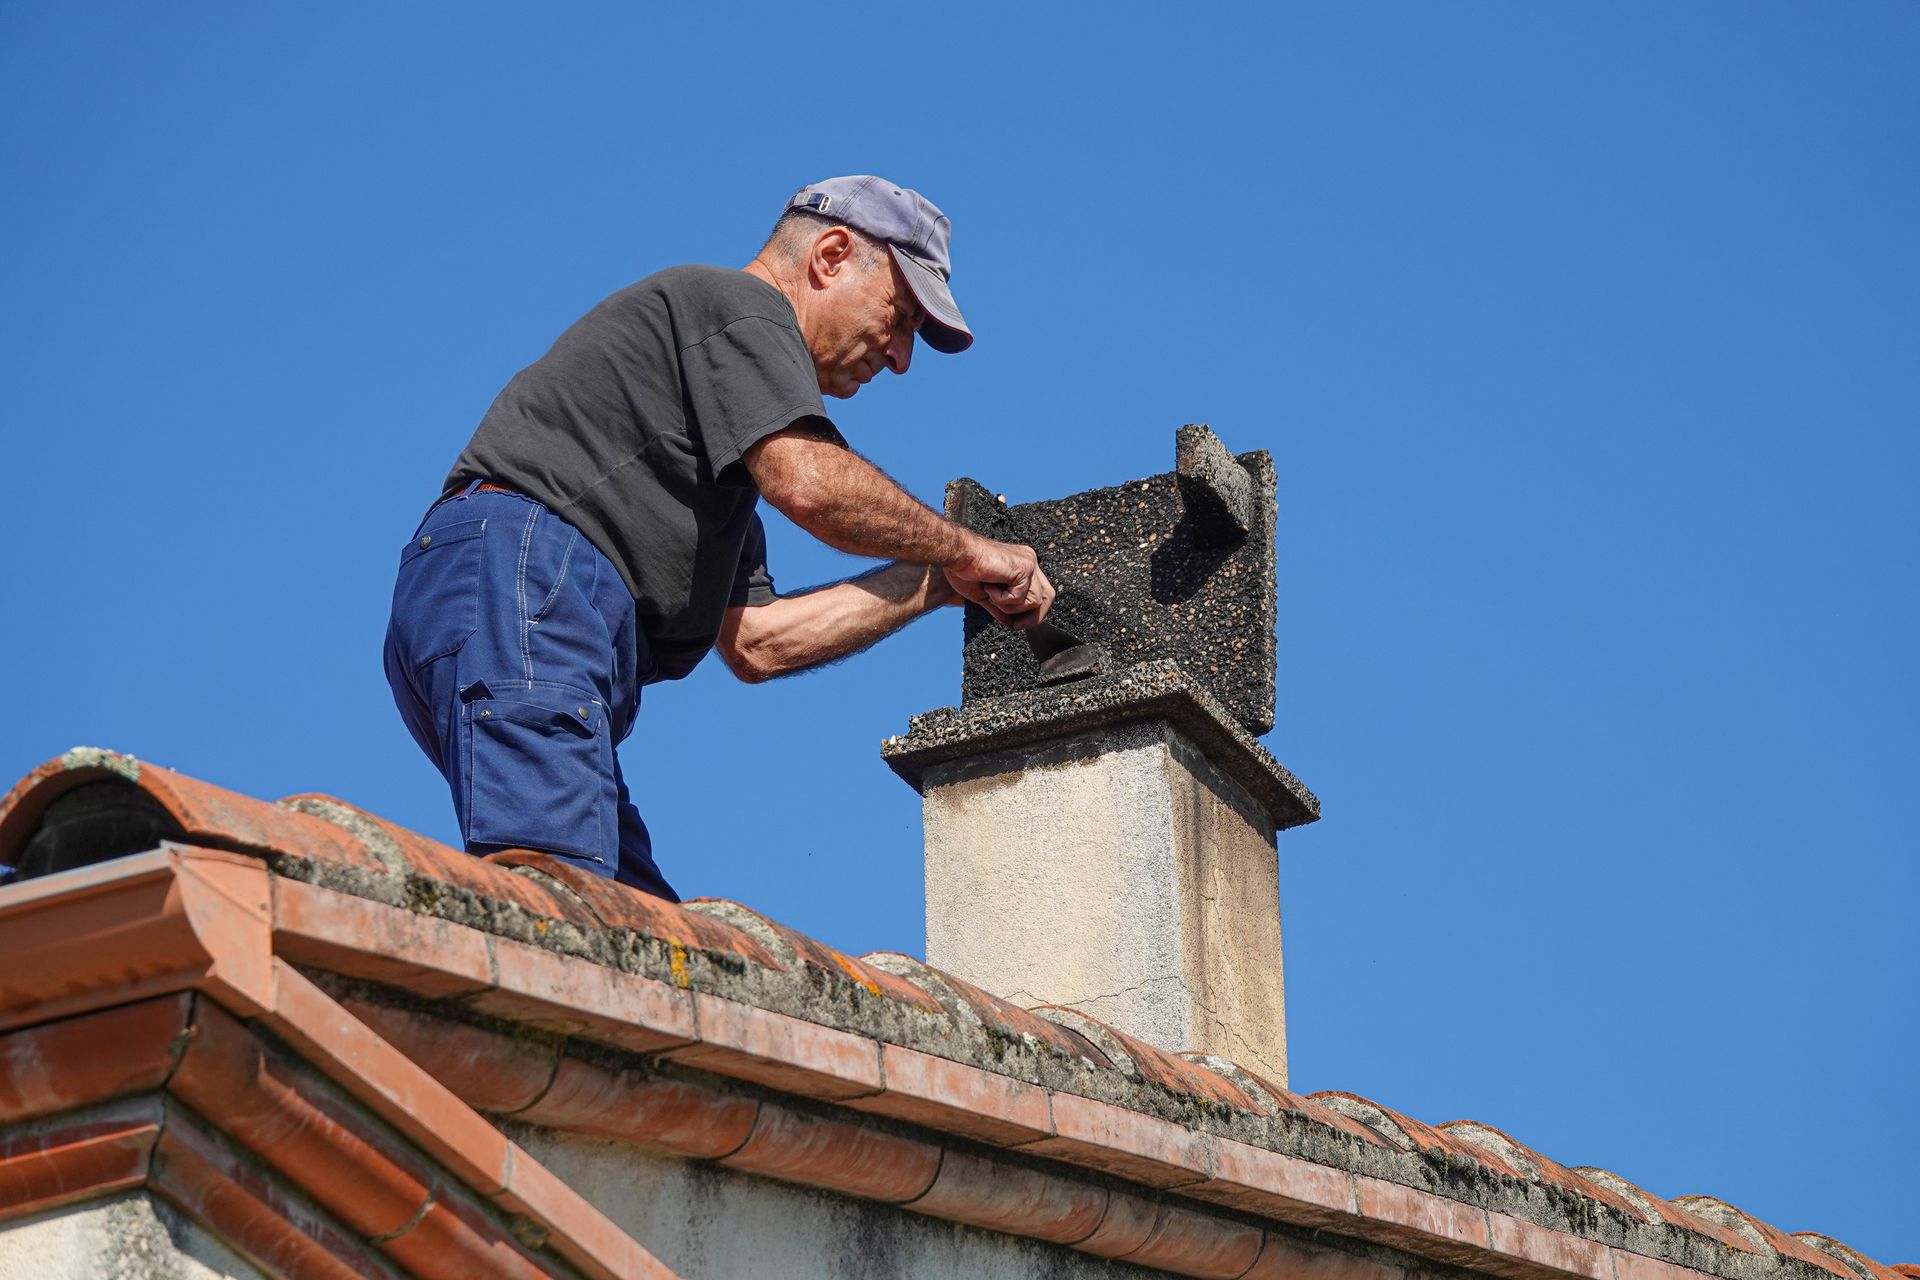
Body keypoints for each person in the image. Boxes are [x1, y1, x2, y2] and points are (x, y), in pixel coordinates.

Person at [382, 175, 1054, 901]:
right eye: (899, 317)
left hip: (523, 605)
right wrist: (963, 547)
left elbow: (760, 641)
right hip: (525, 579)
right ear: (830, 256)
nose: (899, 357)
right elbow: (810, 484)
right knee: (567, 908)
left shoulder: (722, 462)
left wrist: (930, 585)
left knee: (642, 929)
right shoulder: (741, 307)